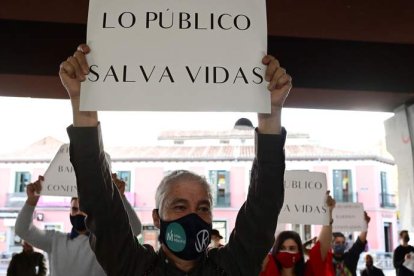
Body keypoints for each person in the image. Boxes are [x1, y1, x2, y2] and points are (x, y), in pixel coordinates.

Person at [61, 43, 292, 275]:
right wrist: (83, 104)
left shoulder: (231, 267)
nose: (193, 216)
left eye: (203, 207)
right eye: (179, 206)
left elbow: (264, 205)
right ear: (157, 218)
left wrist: (271, 114)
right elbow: (100, 205)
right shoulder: (134, 267)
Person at [15, 174, 142, 276]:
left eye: (84, 210)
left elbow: (135, 229)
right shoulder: (55, 240)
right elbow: (23, 230)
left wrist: (121, 198)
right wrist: (31, 200)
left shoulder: (106, 242)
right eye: (75, 209)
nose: (79, 214)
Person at [260, 192, 336, 276]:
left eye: (292, 248)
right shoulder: (268, 268)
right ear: (276, 250)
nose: (287, 252)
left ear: (299, 252)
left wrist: (328, 213)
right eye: (282, 248)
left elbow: (321, 249)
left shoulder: (307, 272)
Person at [331, 211, 371, 276]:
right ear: (331, 244)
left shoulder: (350, 257)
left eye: (343, 242)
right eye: (337, 242)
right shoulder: (326, 260)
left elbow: (360, 243)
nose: (341, 245)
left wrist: (365, 224)